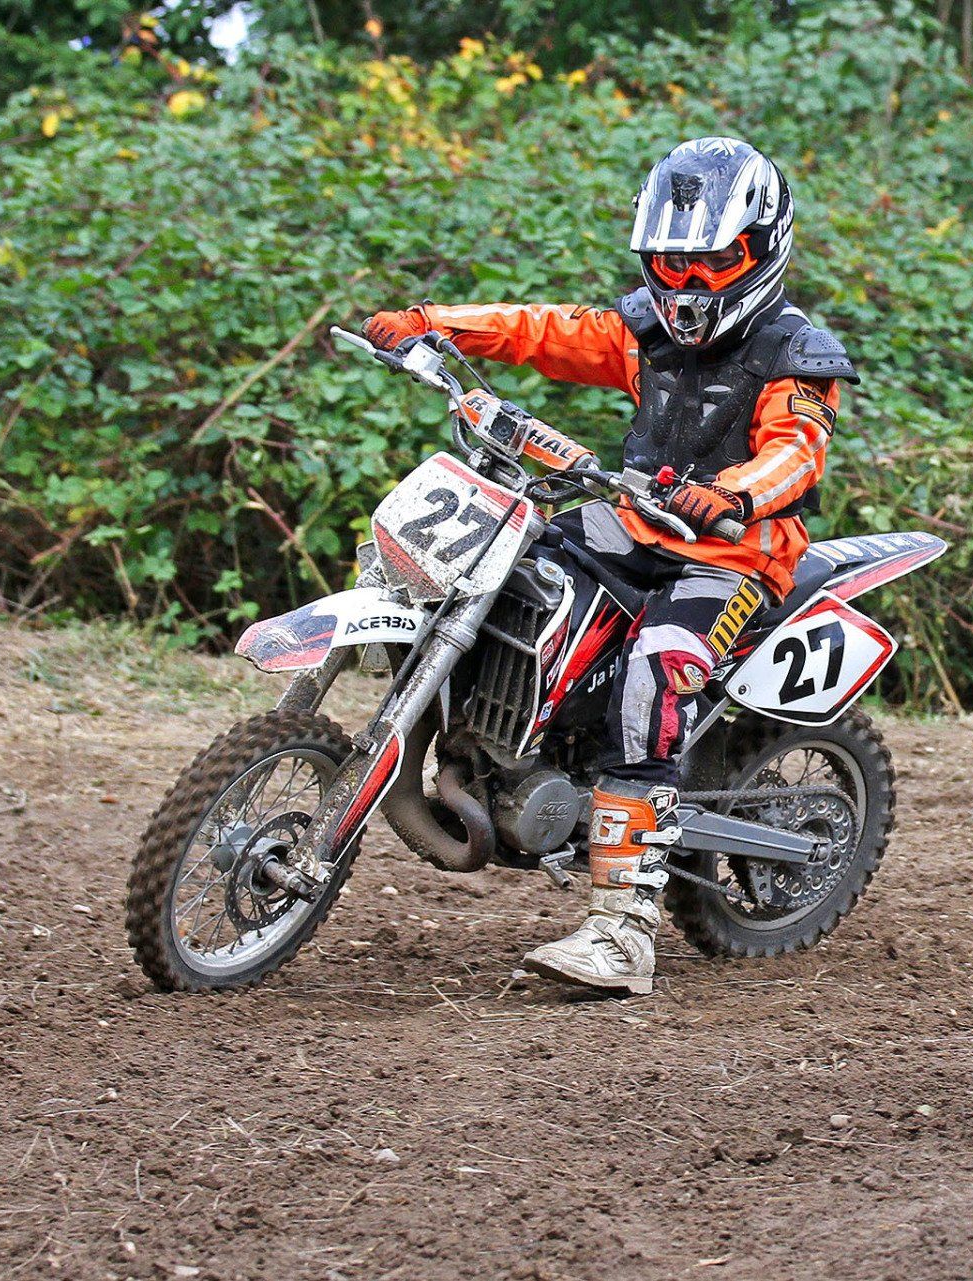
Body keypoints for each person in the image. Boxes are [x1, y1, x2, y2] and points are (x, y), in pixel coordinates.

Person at [363, 136, 856, 994]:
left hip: (735, 557)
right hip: (634, 524)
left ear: (762, 250)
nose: (689, 284)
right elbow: (545, 330)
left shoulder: (794, 353)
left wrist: (737, 494)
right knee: (506, 572)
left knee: (656, 672)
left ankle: (624, 933)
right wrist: (436, 325)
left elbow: (796, 452)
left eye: (714, 263)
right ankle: (504, 747)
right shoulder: (645, 333)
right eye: (671, 262)